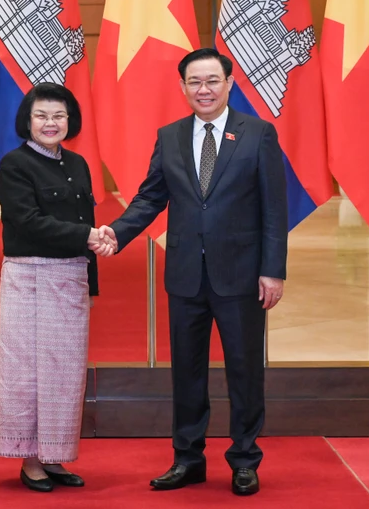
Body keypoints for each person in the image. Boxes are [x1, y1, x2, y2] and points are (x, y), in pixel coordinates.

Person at [98, 48, 288, 496]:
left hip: (241, 275)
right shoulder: (170, 136)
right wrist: (117, 232)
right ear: (182, 87)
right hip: (185, 274)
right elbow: (150, 198)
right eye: (194, 83)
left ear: (229, 82)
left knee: (243, 369)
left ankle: (244, 458)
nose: (203, 90)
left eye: (212, 81)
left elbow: (274, 210)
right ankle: (188, 458)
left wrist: (272, 270)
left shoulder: (258, 134)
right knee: (187, 370)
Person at [0, 82, 113, 493]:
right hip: (29, 279)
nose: (50, 123)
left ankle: (53, 454)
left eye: (58, 116)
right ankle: (29, 461)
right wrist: (89, 236)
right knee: (26, 371)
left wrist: (91, 285)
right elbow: (26, 222)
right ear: (27, 121)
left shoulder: (78, 163)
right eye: (42, 115)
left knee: (65, 371)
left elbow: (84, 224)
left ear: (70, 121)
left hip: (71, 277)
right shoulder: (14, 164)